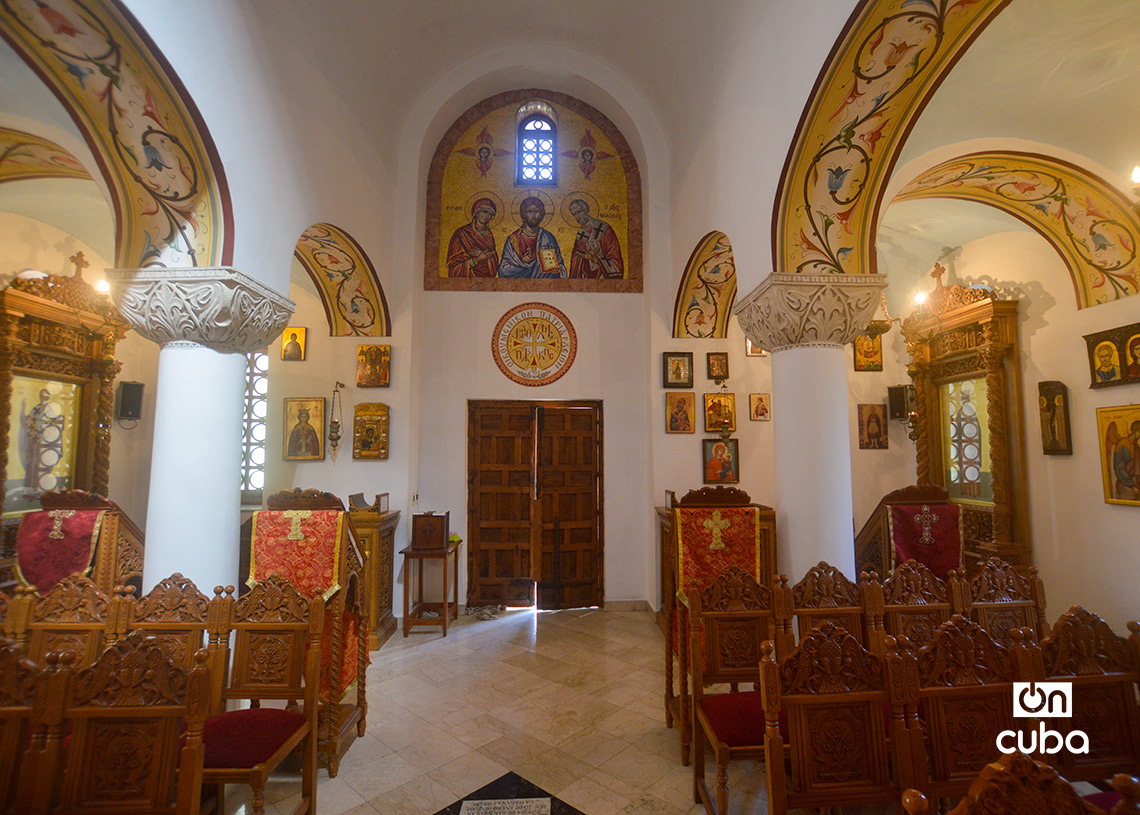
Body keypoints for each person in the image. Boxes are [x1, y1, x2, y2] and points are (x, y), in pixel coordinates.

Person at [498, 196, 566, 278]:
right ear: (524, 214)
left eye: (537, 211)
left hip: (545, 287)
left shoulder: (548, 238)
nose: (533, 215)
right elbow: (503, 271)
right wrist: (524, 263)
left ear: (541, 214)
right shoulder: (513, 239)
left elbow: (560, 265)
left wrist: (557, 270)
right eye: (530, 211)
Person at [567, 198, 624, 279]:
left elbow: (615, 258)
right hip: (585, 279)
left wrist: (596, 260)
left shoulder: (604, 229)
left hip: (603, 277)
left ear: (585, 210)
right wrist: (583, 257)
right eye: (574, 214)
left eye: (579, 212)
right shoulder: (580, 235)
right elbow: (576, 262)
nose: (577, 216)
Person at [447, 198, 499, 277]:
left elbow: (494, 261)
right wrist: (477, 259)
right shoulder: (462, 234)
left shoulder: (489, 235)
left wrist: (482, 255)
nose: (486, 215)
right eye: (484, 211)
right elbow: (454, 265)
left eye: (490, 213)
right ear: (476, 211)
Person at [1113, 420, 1140, 500]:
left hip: (1136, 484)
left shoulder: (1136, 446)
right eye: (1139, 431)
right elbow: (1119, 468)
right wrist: (1131, 484)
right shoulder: (1122, 444)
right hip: (1125, 485)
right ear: (1134, 431)